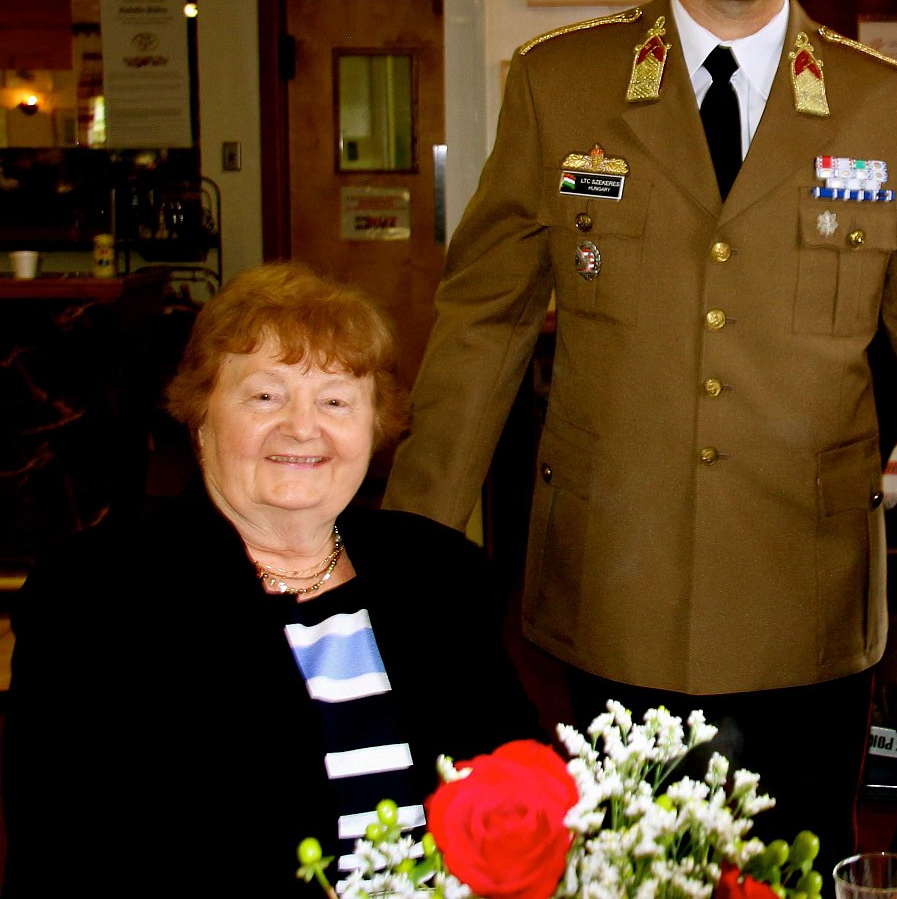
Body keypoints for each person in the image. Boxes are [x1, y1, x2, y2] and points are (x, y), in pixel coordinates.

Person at [383, 0, 897, 857]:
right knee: (622, 871)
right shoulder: (562, 86)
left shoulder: (885, 104)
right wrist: (412, 547)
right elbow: (484, 319)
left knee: (794, 864)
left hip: (807, 598)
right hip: (612, 583)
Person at [2, 263, 536, 898]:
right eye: (265, 396)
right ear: (200, 419)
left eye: (336, 400)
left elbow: (523, 795)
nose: (302, 428)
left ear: (374, 428)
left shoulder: (441, 576)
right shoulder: (95, 598)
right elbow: (63, 862)